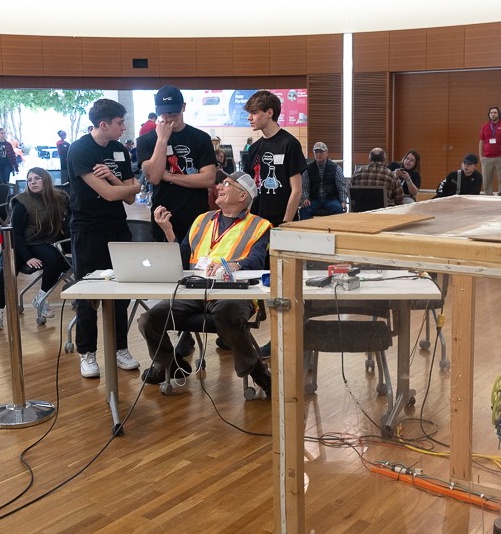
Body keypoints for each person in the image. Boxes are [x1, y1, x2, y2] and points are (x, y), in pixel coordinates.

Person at [138, 171, 272, 395]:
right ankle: (172, 365)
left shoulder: (260, 226)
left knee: (228, 315)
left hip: (232, 292)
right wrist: (168, 231)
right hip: (193, 290)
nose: (219, 186)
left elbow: (256, 261)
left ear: (242, 196)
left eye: (227, 184)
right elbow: (181, 257)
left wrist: (232, 266)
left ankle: (257, 370)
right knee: (149, 320)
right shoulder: (202, 219)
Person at [67, 98, 141, 377]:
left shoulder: (120, 150)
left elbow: (132, 197)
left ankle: (120, 347)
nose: (124, 127)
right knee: (88, 294)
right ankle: (87, 352)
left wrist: (112, 177)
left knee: (121, 293)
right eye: (120, 123)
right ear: (104, 124)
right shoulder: (81, 150)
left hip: (117, 228)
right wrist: (123, 185)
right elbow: (115, 194)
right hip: (87, 230)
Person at [0, 167, 70, 331]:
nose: (32, 182)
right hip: (16, 244)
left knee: (56, 260)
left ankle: (41, 298)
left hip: (38, 241)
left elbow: (64, 225)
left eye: (37, 178)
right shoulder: (22, 202)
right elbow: (17, 235)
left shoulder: (59, 198)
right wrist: (27, 258)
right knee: (7, 276)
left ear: (46, 180)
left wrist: (70, 249)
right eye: (29, 180)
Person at [135, 84, 218, 243]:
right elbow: (153, 177)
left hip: (196, 216)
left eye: (174, 112)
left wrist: (169, 176)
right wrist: (162, 139)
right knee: (165, 264)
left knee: (196, 263)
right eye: (165, 113)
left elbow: (208, 179)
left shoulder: (201, 138)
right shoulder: (147, 140)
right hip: (163, 215)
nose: (170, 118)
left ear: (183, 107)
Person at [241, 90, 305, 225]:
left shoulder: (290, 144)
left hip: (282, 220)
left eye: (254, 112)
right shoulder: (253, 148)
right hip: (257, 221)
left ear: (269, 113)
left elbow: (297, 190)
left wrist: (286, 224)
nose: (249, 118)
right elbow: (248, 187)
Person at [299, 141, 347, 218]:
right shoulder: (307, 169)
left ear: (326, 153)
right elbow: (304, 187)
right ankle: (305, 229)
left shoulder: (336, 168)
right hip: (314, 200)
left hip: (331, 199)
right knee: (304, 210)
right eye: (316, 152)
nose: (319, 154)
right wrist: (306, 198)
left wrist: (343, 201)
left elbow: (341, 186)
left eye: (321, 152)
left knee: (339, 209)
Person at [478, 106, 501, 195]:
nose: (493, 114)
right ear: (489, 115)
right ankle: (488, 196)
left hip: (500, 157)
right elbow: (481, 142)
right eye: (491, 113)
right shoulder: (485, 127)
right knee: (487, 180)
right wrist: (481, 156)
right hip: (487, 158)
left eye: (495, 112)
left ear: (499, 114)